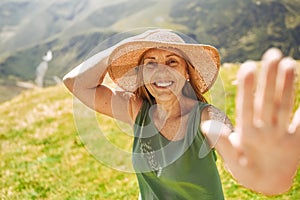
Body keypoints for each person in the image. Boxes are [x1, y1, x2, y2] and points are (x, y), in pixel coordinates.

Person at [63, 29, 300, 199]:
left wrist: (264, 176)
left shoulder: (207, 118)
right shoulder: (137, 109)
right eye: (150, 63)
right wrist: (120, 49)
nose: (161, 71)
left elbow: (233, 149)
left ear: (187, 72)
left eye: (172, 61)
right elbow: (75, 82)